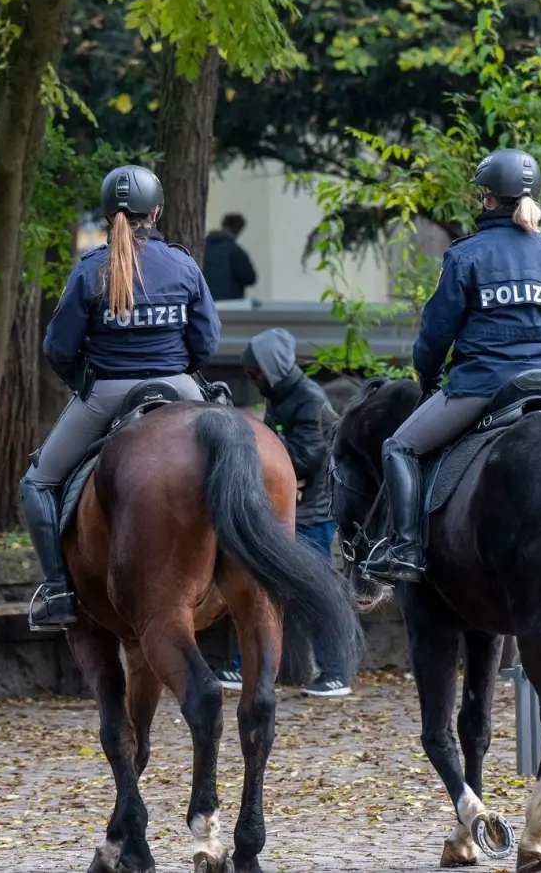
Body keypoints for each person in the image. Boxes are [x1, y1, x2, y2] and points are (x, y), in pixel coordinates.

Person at [362, 148, 541, 583]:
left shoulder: (466, 255)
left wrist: (426, 373)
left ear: (489, 200)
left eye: (483, 194)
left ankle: (406, 549)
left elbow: (437, 332)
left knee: (399, 447)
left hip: (484, 385)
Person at [24, 164, 222, 630]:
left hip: (108, 392)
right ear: (155, 213)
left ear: (108, 212)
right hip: (179, 386)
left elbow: (57, 347)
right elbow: (207, 341)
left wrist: (84, 381)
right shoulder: (183, 264)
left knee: (37, 483)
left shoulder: (91, 268)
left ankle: (57, 591)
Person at [214, 328, 354, 697]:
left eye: (253, 373)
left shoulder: (308, 399)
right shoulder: (281, 395)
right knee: (263, 586)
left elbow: (305, 457)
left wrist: (256, 451)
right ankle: (253, 666)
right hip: (289, 506)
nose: (252, 380)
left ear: (270, 368)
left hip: (311, 514)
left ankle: (336, 673)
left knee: (315, 590)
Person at [203, 212, 258, 301]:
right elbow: (250, 278)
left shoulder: (203, 248)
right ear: (239, 230)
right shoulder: (235, 251)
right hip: (229, 305)